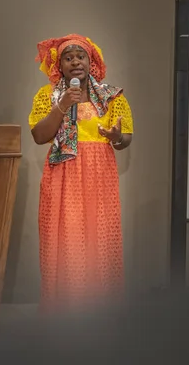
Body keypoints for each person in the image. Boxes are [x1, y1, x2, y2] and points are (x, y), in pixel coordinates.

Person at [28, 34, 133, 313]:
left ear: (91, 62)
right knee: (65, 242)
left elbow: (125, 140)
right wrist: (62, 105)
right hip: (63, 175)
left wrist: (117, 136)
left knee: (98, 243)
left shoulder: (113, 97)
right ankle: (64, 314)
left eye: (81, 56)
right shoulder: (46, 96)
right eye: (68, 57)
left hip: (100, 177)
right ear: (59, 65)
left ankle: (100, 314)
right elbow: (39, 136)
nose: (75, 62)